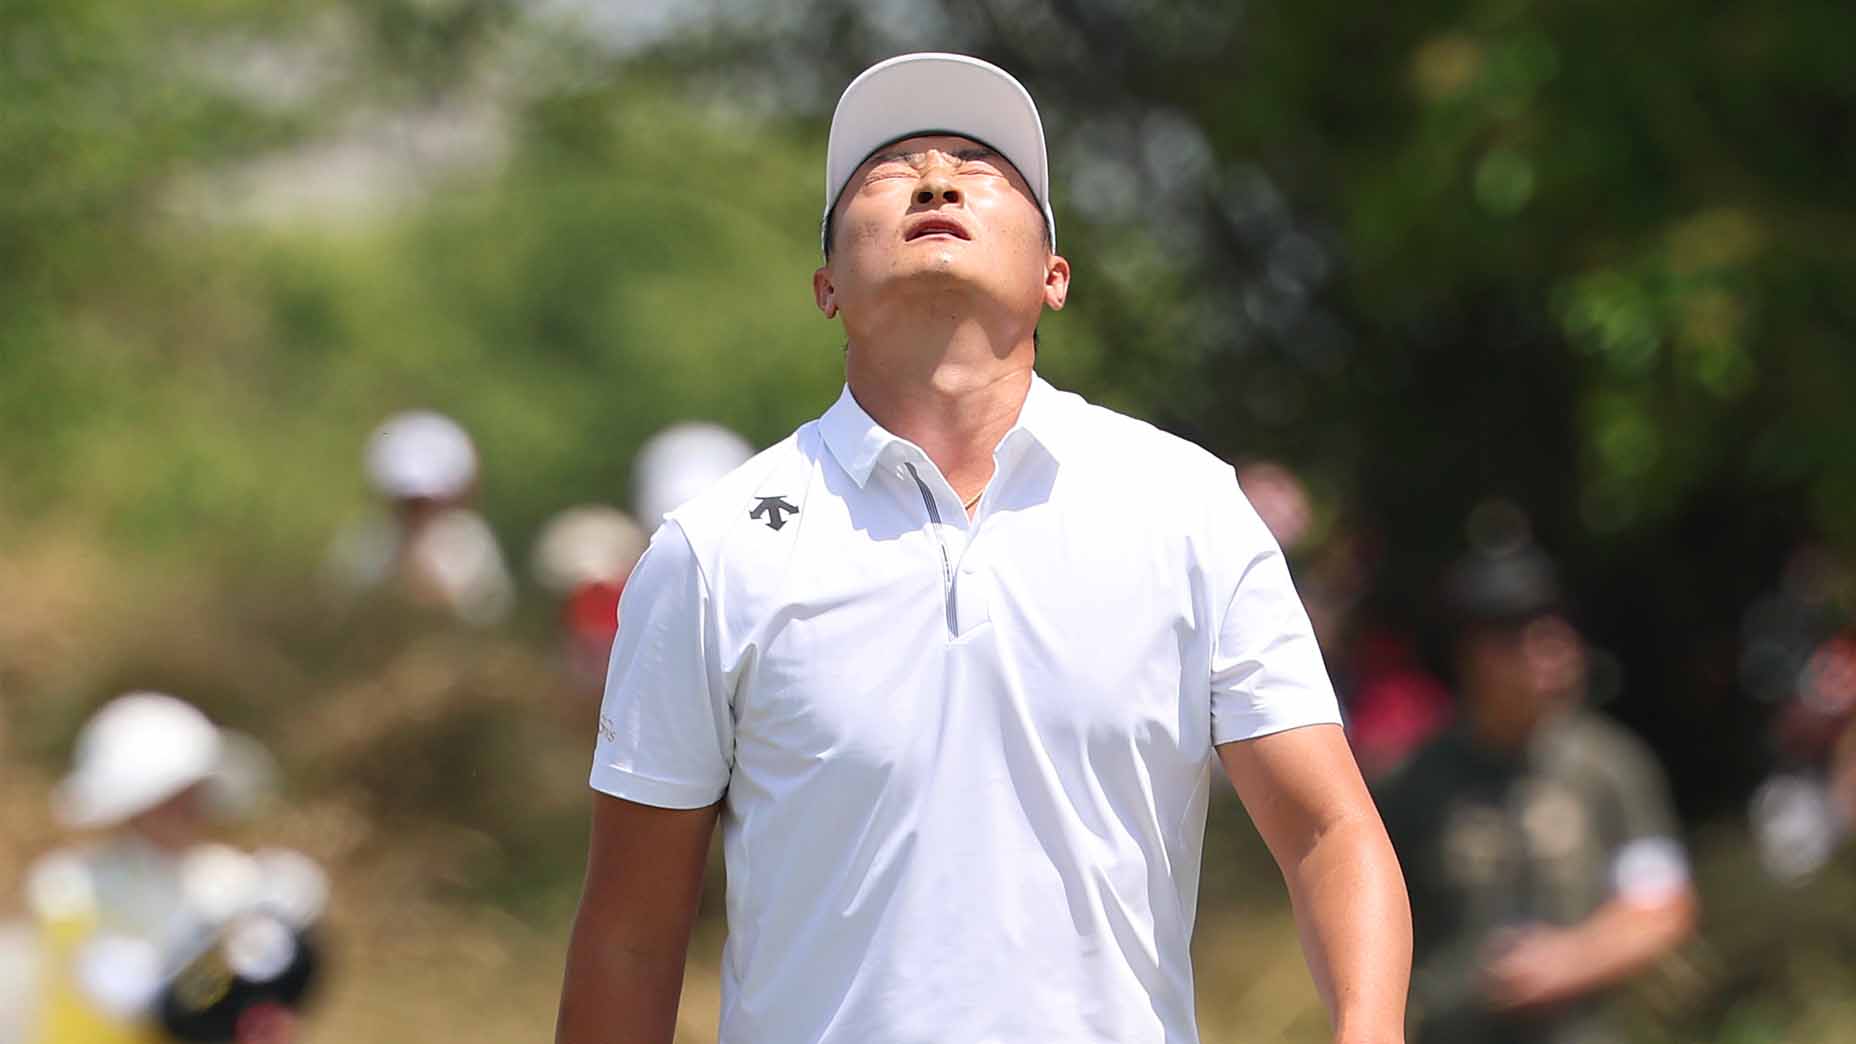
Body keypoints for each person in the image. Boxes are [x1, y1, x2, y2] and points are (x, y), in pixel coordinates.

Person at [557, 53, 1409, 1044]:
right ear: (827, 284)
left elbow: (1325, 832)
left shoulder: (1186, 508)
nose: (933, 180)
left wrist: (1368, 1028)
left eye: (979, 166)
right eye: (885, 173)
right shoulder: (713, 550)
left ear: (1054, 277)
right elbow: (628, 934)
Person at [1378, 536, 1698, 1044]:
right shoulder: (1414, 783)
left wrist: (1569, 961)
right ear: (1469, 654)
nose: (1546, 653)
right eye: (1515, 637)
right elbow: (1367, 921)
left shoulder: (1609, 767)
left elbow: (1662, 906)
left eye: (1555, 633)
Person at [22, 693, 326, 1044]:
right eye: (170, 797)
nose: (187, 809)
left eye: (193, 793)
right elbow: (136, 998)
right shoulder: (71, 888)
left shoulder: (227, 877)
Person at [321, 409, 513, 626]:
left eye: (424, 501)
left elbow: (489, 614)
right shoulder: (368, 539)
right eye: (409, 502)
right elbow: (340, 605)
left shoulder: (469, 540)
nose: (417, 510)